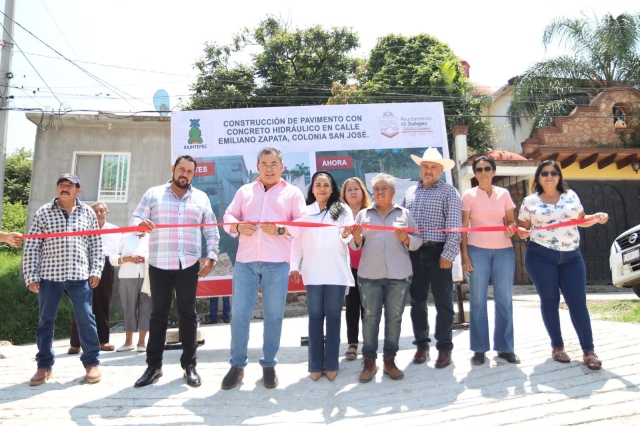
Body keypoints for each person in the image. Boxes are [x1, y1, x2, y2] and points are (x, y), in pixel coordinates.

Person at [221, 147, 307, 390]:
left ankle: (269, 364)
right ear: (257, 167)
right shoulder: (244, 191)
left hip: (277, 262)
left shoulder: (292, 193)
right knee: (239, 316)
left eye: (274, 164)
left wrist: (281, 229)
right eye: (264, 164)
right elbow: (228, 215)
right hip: (245, 262)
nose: (269, 168)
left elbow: (302, 223)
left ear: (282, 167)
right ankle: (237, 365)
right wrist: (238, 227)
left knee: (273, 316)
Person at [131, 155, 220, 388]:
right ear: (173, 169)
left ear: (193, 174)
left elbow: (211, 230)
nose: (185, 174)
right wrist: (140, 225)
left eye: (190, 171)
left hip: (188, 264)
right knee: (158, 315)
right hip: (159, 263)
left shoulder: (201, 198)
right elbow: (136, 218)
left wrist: (211, 258)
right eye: (181, 169)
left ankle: (189, 366)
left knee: (188, 315)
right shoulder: (153, 194)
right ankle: (153, 366)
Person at [518, 160, 608, 370]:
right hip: (540, 255)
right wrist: (520, 232)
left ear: (559, 177)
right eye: (544, 173)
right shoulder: (529, 201)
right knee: (550, 301)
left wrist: (596, 218)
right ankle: (557, 347)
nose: (549, 176)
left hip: (571, 257)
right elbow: (523, 229)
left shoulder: (571, 196)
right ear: (538, 178)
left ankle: (589, 350)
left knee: (578, 303)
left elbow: (581, 220)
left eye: (553, 173)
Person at [22, 173, 104, 386]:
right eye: (61, 184)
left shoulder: (87, 213)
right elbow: (32, 245)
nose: (64, 188)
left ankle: (91, 363)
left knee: (86, 317)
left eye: (70, 185)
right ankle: (44, 366)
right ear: (57, 188)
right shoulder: (43, 212)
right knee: (45, 321)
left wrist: (96, 270)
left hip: (79, 275)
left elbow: (95, 244)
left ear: (79, 189)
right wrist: (31, 275)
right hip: (50, 275)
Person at [350, 173, 422, 383]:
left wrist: (408, 238)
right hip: (369, 275)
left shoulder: (404, 214)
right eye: (377, 189)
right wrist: (355, 238)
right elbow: (356, 244)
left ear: (393, 192)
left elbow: (418, 240)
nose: (380, 192)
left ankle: (390, 360)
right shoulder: (363, 215)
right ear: (372, 192)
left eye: (384, 188)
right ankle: (369, 362)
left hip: (398, 275)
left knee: (394, 319)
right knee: (370, 319)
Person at [290, 171, 354, 381]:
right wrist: (294, 266)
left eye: (326, 185)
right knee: (315, 316)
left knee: (334, 316)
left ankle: (332, 363)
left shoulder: (342, 209)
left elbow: (349, 236)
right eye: (318, 185)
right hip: (313, 272)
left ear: (332, 188)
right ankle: (315, 364)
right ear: (312, 188)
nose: (322, 189)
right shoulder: (304, 212)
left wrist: (346, 235)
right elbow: (297, 241)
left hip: (336, 271)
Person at [402, 147, 461, 368]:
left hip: (439, 252)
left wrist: (448, 254)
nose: (428, 170)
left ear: (441, 170)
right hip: (414, 253)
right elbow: (403, 224)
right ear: (420, 168)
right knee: (417, 302)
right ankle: (421, 346)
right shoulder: (409, 193)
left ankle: (445, 348)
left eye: (433, 167)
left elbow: (455, 226)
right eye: (425, 166)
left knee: (444, 302)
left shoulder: (449, 192)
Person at [461, 156, 520, 366]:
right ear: (475, 173)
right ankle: (479, 349)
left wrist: (512, 228)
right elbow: (464, 228)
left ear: (493, 171)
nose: (483, 172)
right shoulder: (468, 195)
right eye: (479, 169)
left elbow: (510, 221)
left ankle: (505, 347)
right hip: (477, 251)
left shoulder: (504, 194)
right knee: (477, 300)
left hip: (504, 251)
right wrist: (465, 255)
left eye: (487, 169)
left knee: (504, 300)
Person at [69, 201, 119, 354]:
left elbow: (118, 251)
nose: (99, 213)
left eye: (102, 210)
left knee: (102, 302)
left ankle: (103, 340)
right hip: (84, 264)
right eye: (95, 211)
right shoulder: (82, 227)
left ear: (107, 212)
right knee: (81, 302)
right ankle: (76, 343)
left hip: (105, 265)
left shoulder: (115, 230)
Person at [339, 177, 372, 361]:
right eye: (348, 189)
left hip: (368, 266)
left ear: (362, 192)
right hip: (347, 266)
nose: (352, 192)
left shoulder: (371, 213)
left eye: (356, 189)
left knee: (370, 306)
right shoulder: (339, 215)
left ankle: (369, 341)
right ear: (343, 194)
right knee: (352, 305)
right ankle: (352, 343)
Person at [109, 231, 152, 352]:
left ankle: (142, 342)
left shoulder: (152, 237)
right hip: (127, 276)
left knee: (146, 308)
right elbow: (112, 258)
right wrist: (127, 259)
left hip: (147, 276)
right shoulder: (124, 237)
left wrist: (145, 259)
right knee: (129, 308)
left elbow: (157, 256)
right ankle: (128, 342)